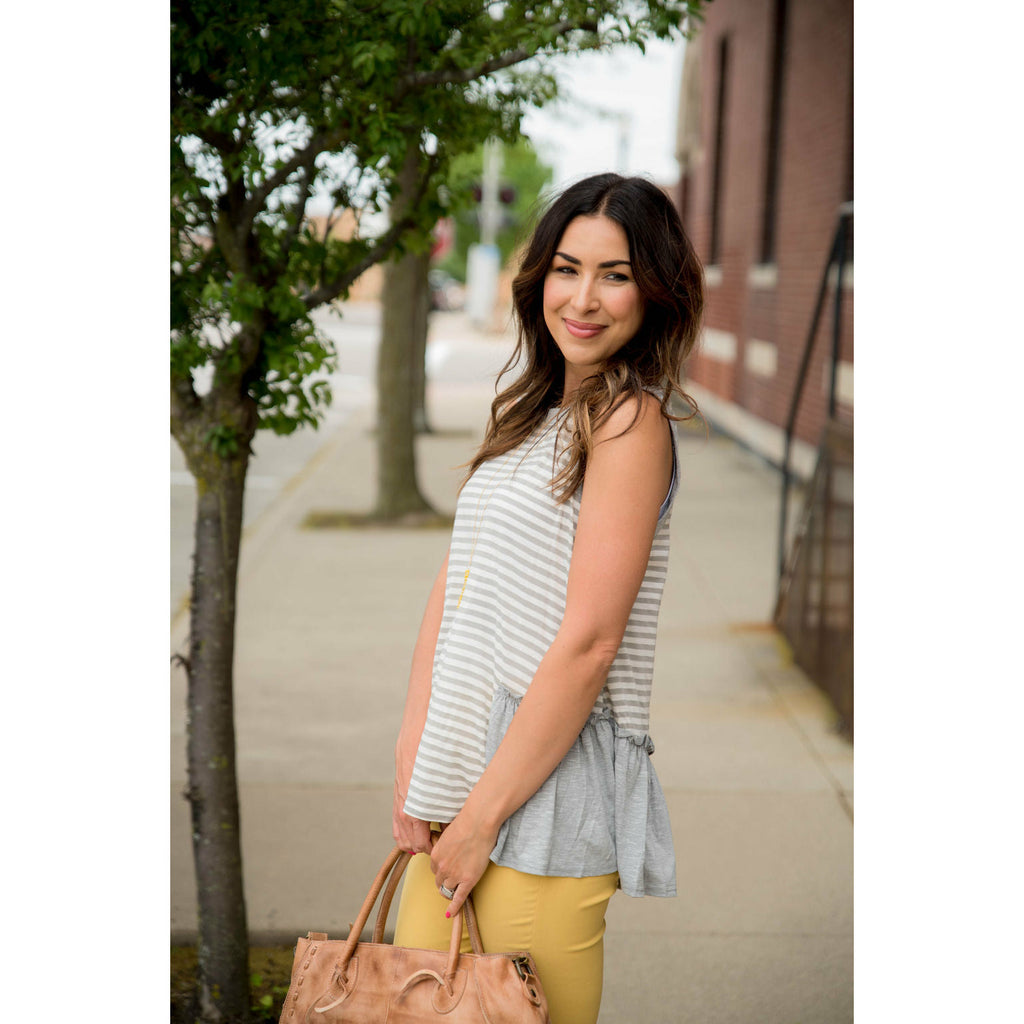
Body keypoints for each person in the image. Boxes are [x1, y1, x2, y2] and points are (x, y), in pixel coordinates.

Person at [391, 172, 704, 1024]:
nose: (585, 298)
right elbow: (456, 585)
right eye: (569, 268)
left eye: (616, 274)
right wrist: (416, 753)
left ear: (655, 292)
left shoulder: (631, 424)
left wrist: (479, 818)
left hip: (539, 798)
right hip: (464, 780)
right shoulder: (534, 411)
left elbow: (590, 643)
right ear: (540, 279)